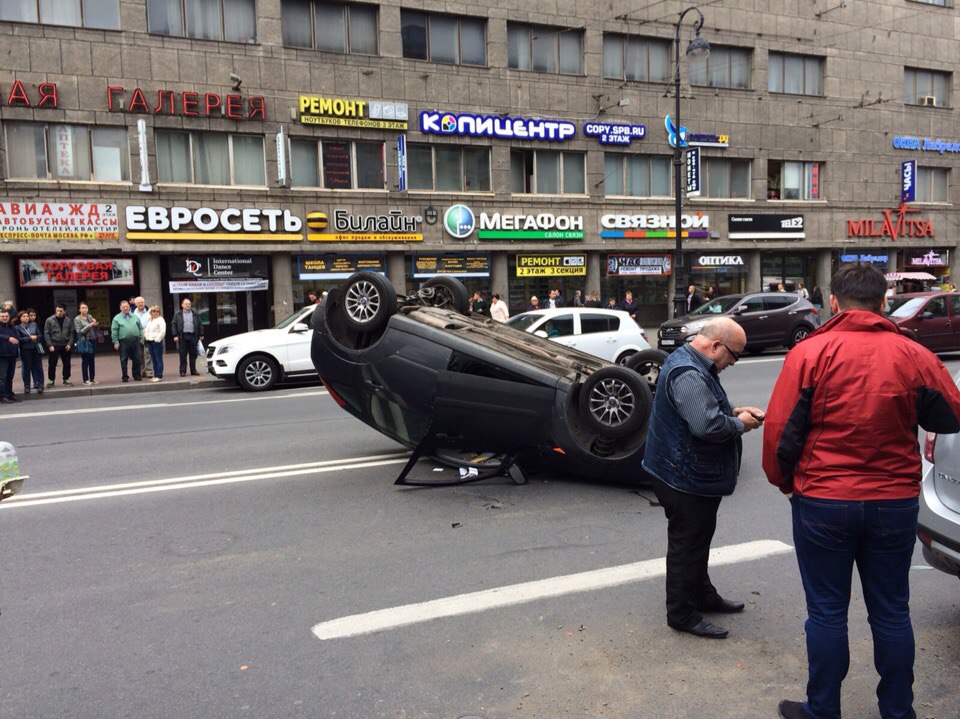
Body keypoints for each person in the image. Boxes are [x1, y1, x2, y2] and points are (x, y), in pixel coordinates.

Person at [762, 263, 960, 719]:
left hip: (823, 500)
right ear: (883, 302)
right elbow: (949, 416)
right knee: (891, 610)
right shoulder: (914, 354)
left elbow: (778, 432)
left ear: (833, 302)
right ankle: (897, 710)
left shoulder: (811, 353)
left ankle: (822, 710)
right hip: (893, 503)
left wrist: (784, 482)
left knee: (827, 611)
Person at [641, 318, 764, 639]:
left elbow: (708, 406)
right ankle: (681, 613)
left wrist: (735, 412)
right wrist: (742, 425)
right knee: (687, 543)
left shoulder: (691, 361)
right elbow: (707, 425)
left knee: (698, 538)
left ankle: (701, 594)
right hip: (683, 477)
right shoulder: (688, 374)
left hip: (686, 473)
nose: (733, 363)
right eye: (733, 355)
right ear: (715, 346)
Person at [111, 300, 143, 382]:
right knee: (124, 359)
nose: (125, 308)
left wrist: (141, 337)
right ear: (120, 308)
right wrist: (116, 342)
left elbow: (140, 328)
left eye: (127, 306)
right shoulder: (117, 318)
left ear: (129, 307)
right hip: (123, 341)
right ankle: (125, 376)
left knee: (137, 359)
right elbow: (114, 331)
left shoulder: (134, 316)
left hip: (135, 341)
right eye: (123, 307)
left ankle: (137, 375)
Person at [44, 304, 74, 387]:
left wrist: (69, 344)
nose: (59, 312)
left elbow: (71, 333)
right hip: (54, 344)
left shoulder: (68, 321)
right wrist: (49, 345)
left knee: (67, 363)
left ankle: (66, 379)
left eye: (61, 311)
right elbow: (46, 333)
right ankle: (51, 380)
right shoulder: (49, 320)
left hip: (65, 344)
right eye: (57, 310)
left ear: (64, 311)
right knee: (52, 363)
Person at [171, 298, 204, 377]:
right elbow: (173, 324)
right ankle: (182, 371)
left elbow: (200, 324)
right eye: (186, 304)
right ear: (182, 305)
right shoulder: (178, 314)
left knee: (193, 354)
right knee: (183, 354)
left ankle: (193, 370)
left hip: (193, 336)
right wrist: (175, 335)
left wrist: (201, 334)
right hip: (183, 336)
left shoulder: (195, 313)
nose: (188, 305)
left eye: (189, 304)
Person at [15, 310, 43, 394]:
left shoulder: (33, 325)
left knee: (38, 367)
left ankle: (40, 384)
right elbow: (19, 339)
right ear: (20, 318)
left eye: (27, 316)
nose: (26, 318)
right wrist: (29, 338)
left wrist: (36, 337)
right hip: (25, 350)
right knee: (27, 368)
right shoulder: (17, 327)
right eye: (23, 316)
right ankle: (27, 386)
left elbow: (40, 335)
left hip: (35, 348)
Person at [73, 302, 99, 386]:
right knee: (85, 360)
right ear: (79, 309)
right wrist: (90, 325)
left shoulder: (89, 316)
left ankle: (92, 378)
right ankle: (85, 379)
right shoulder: (77, 319)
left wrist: (95, 323)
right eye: (83, 308)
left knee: (92, 360)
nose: (85, 309)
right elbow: (79, 332)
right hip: (84, 341)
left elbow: (93, 327)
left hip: (92, 340)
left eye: (86, 307)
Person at [0, 309, 20, 404]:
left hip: (12, 354)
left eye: (6, 316)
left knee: (10, 377)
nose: (4, 318)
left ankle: (9, 394)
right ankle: (2, 396)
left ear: (9, 317)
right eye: (2, 316)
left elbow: (17, 336)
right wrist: (8, 338)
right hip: (2, 355)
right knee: (2, 377)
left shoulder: (12, 326)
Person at [143, 305, 167, 382]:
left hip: (156, 341)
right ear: (151, 312)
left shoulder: (160, 320)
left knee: (158, 358)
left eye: (157, 311)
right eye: (153, 311)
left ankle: (159, 376)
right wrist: (145, 335)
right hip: (149, 341)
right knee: (153, 359)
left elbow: (162, 331)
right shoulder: (150, 320)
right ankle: (155, 374)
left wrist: (157, 340)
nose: (155, 313)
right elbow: (147, 330)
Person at [131, 296, 152, 378]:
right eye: (138, 302)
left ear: (144, 303)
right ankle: (142, 371)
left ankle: (149, 371)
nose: (140, 304)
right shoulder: (132, 312)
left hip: (148, 335)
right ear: (135, 304)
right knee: (139, 355)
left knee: (148, 354)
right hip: (137, 336)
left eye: (142, 302)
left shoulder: (150, 311)